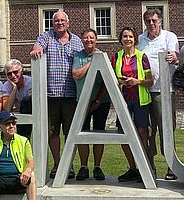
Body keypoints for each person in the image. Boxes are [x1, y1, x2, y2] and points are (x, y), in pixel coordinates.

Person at [30, 10, 83, 180]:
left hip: (70, 95)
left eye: (62, 20)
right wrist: (36, 50)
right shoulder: (46, 37)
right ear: (53, 23)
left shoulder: (77, 42)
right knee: (52, 132)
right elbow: (37, 45)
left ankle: (69, 165)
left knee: (70, 133)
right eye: (56, 21)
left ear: (68, 23)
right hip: (50, 95)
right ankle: (57, 163)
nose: (59, 23)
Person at [137, 8, 180, 180]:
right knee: (146, 130)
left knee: (166, 129)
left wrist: (174, 58)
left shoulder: (169, 37)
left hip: (163, 90)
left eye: (154, 20)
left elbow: (176, 57)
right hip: (144, 90)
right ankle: (150, 166)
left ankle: (172, 167)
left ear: (160, 21)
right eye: (148, 21)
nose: (151, 24)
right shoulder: (140, 39)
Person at [113, 26, 154, 183]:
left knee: (142, 132)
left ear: (135, 39)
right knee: (124, 134)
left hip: (140, 100)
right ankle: (132, 168)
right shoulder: (116, 57)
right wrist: (120, 80)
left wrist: (137, 81)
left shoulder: (142, 57)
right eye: (125, 36)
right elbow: (111, 78)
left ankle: (143, 167)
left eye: (130, 36)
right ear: (121, 39)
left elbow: (150, 81)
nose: (128, 39)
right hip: (123, 100)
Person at [70, 28, 111, 180]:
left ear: (96, 40)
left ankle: (98, 167)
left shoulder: (102, 56)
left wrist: (98, 101)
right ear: (82, 40)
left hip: (101, 102)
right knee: (83, 134)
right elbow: (76, 75)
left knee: (99, 133)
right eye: (86, 38)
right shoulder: (78, 56)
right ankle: (83, 166)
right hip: (82, 101)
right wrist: (90, 63)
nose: (89, 40)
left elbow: (106, 82)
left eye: (91, 38)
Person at [2, 59, 33, 139]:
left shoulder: (31, 83)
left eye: (15, 72)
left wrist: (18, 104)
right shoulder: (6, 85)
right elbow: (7, 109)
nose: (13, 76)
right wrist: (14, 89)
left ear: (21, 71)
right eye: (9, 74)